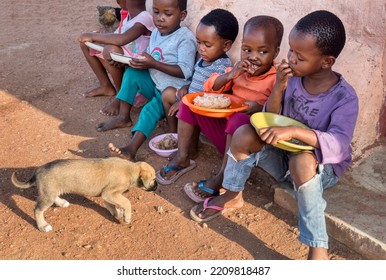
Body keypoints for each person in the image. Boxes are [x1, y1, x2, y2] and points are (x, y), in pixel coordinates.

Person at [190, 10, 359, 260]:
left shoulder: (344, 97)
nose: (290, 59)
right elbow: (270, 115)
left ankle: (317, 248)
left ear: (326, 61)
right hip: (283, 155)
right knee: (244, 131)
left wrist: (294, 131)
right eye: (290, 51)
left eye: (298, 56)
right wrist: (278, 87)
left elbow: (340, 144)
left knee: (302, 160)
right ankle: (232, 194)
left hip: (319, 168)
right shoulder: (291, 79)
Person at [156, 15, 284, 187]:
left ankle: (223, 175)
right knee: (189, 102)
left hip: (248, 143)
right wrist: (230, 75)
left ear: (275, 52)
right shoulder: (239, 70)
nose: (253, 57)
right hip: (224, 134)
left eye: (262, 51)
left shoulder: (276, 80)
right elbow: (210, 87)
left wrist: (258, 107)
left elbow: (276, 115)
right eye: (247, 50)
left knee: (238, 119)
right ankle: (183, 156)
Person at [104, 0, 197, 161]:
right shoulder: (156, 32)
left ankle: (131, 149)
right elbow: (150, 56)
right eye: (156, 12)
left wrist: (154, 63)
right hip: (155, 82)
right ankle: (124, 116)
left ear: (182, 15)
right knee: (132, 73)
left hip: (170, 93)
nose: (160, 18)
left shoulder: (185, 38)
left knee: (149, 110)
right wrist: (133, 62)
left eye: (167, 14)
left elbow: (185, 71)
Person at [161, 8, 239, 133]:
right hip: (189, 98)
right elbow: (196, 78)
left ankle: (188, 145)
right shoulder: (203, 58)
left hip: (203, 107)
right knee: (167, 94)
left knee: (186, 112)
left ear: (226, 45)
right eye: (199, 42)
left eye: (207, 45)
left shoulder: (223, 66)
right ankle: (173, 133)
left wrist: (184, 102)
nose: (201, 48)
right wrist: (187, 86)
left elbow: (212, 95)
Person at [79, 0, 154, 109]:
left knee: (111, 50)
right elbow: (117, 36)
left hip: (137, 67)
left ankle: (121, 96)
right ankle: (106, 86)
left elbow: (122, 39)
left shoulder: (145, 18)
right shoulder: (129, 16)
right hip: (125, 59)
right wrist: (99, 36)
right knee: (86, 45)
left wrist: (92, 36)